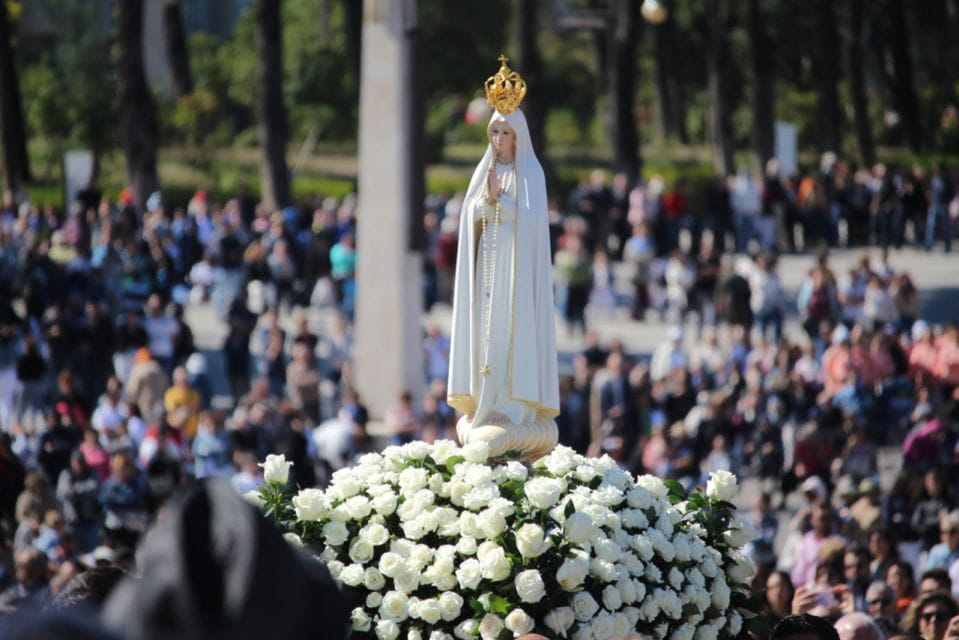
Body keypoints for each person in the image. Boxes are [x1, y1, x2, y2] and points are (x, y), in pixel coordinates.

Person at [447, 57, 559, 456]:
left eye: (504, 133)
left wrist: (502, 203)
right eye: (493, 132)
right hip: (488, 270)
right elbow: (469, 218)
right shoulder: (484, 172)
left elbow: (532, 223)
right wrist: (484, 204)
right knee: (486, 333)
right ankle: (485, 401)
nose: (497, 140)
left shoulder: (531, 175)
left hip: (517, 270)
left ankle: (512, 405)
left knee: (513, 333)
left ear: (517, 136)